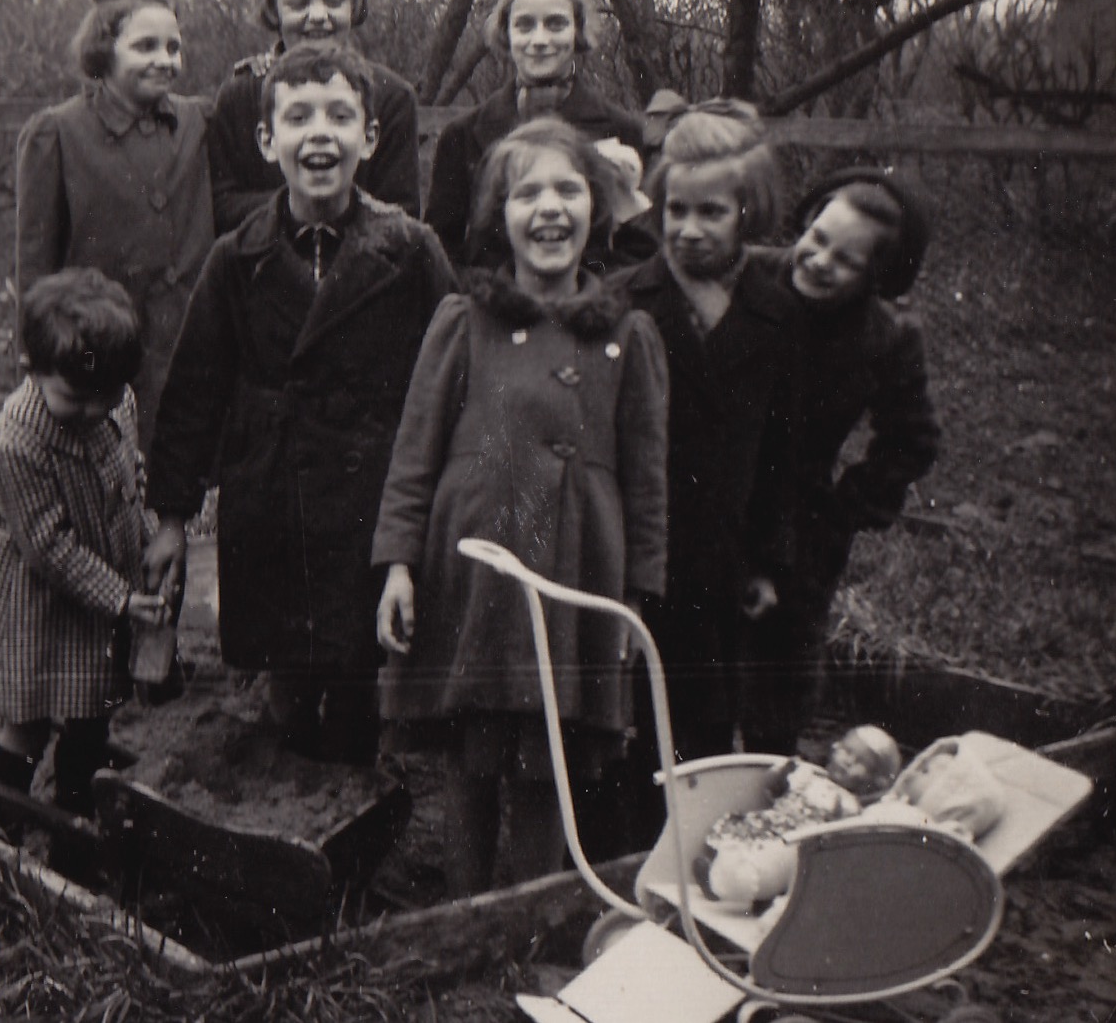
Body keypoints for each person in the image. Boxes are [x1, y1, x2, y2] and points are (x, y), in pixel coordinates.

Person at [373, 116, 669, 895]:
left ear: (596, 210)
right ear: (498, 216)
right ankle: (463, 912)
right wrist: (398, 564)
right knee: (471, 752)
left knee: (548, 755)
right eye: (525, 192)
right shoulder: (462, 322)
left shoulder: (628, 337)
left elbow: (647, 481)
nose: (549, 208)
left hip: (577, 570)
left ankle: (528, 913)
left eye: (567, 189)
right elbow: (414, 451)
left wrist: (634, 598)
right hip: (474, 563)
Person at [145, 42, 456, 766]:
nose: (320, 133)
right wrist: (169, 516)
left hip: (369, 498)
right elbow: (194, 391)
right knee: (284, 678)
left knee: (357, 679)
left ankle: (344, 818)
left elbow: (451, 378)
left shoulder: (412, 252)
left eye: (340, 116)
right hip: (270, 496)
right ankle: (282, 802)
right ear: (266, 140)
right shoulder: (236, 256)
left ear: (370, 139)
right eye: (298, 117)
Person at [0, 269, 172, 874]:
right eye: (74, 399)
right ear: (31, 366)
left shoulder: (113, 403)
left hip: (102, 589)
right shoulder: (15, 445)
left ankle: (75, 843)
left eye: (104, 398)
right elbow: (49, 551)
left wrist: (148, 536)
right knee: (26, 722)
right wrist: (124, 599)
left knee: (90, 710)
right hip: (36, 599)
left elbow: (129, 480)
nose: (90, 413)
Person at [622, 101, 800, 826]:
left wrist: (768, 559)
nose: (689, 230)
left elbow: (784, 452)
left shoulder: (778, 311)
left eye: (711, 214)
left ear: (747, 213)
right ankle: (623, 849)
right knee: (637, 711)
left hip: (727, 554)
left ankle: (699, 840)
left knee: (709, 711)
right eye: (676, 211)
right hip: (648, 547)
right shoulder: (630, 300)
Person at [739, 168, 940, 755]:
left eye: (845, 260)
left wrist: (840, 512)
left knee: (777, 687)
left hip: (800, 523)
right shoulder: (747, 275)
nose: (820, 261)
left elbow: (914, 437)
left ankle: (764, 793)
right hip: (712, 493)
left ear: (878, 275)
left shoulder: (886, 337)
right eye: (817, 239)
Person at [15, 0, 214, 453]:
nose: (164, 60)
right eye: (145, 46)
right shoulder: (57, 132)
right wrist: (36, 352)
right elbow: (34, 263)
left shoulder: (198, 120)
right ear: (105, 49)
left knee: (177, 467)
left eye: (173, 47)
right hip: (96, 346)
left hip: (183, 338)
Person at [424, 0, 655, 274]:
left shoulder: (622, 131)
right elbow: (442, 253)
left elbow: (640, 250)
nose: (540, 40)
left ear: (578, 30)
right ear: (506, 32)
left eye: (556, 24)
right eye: (525, 25)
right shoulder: (462, 136)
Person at [205, 0, 420, 233]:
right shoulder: (241, 95)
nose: (318, 15)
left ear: (354, 5)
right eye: (299, 3)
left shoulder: (391, 96)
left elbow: (403, 211)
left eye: (334, 1)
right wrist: (301, 209)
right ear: (274, 7)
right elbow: (222, 205)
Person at [694, 724, 901, 909]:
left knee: (771, 862)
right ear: (835, 748)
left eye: (860, 763)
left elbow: (840, 832)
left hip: (796, 843)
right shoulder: (808, 777)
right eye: (847, 751)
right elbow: (773, 791)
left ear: (873, 780)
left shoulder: (847, 803)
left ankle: (729, 887)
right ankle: (717, 875)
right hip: (773, 824)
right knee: (740, 835)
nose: (848, 761)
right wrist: (781, 777)